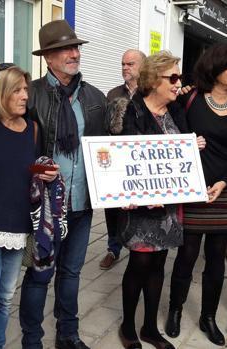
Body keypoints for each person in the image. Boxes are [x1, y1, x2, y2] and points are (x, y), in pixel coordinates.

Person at [19, 20, 108, 349]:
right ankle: (32, 339)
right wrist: (37, 168)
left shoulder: (95, 98)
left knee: (71, 275)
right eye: (64, 49)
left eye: (76, 47)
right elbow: (16, 149)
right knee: (40, 276)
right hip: (46, 208)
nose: (74, 53)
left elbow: (111, 146)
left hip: (82, 205)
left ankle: (68, 335)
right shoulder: (31, 96)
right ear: (48, 58)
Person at [0, 63, 59, 349]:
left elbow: (27, 168)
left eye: (26, 89)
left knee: (7, 297)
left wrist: (47, 172)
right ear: (0, 92)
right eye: (17, 90)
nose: (25, 96)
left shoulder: (32, 128)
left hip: (19, 226)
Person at [112, 51, 194, 349]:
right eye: (172, 77)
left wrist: (192, 146)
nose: (178, 83)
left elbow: (180, 154)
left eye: (179, 77)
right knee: (140, 263)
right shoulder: (132, 111)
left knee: (160, 263)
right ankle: (129, 326)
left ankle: (149, 328)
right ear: (153, 80)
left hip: (169, 207)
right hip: (140, 208)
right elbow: (122, 163)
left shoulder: (177, 111)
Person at [165, 43, 227, 346]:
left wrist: (224, 182)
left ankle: (208, 317)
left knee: (217, 259)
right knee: (186, 255)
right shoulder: (189, 99)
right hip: (192, 190)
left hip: (223, 193)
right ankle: (175, 310)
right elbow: (171, 139)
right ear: (215, 69)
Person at [100, 49, 146, 270]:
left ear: (143, 67)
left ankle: (138, 245)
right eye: (123, 64)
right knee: (113, 207)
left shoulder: (150, 91)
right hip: (118, 163)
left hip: (142, 163)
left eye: (130, 64)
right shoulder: (113, 94)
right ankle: (113, 248)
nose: (125, 68)